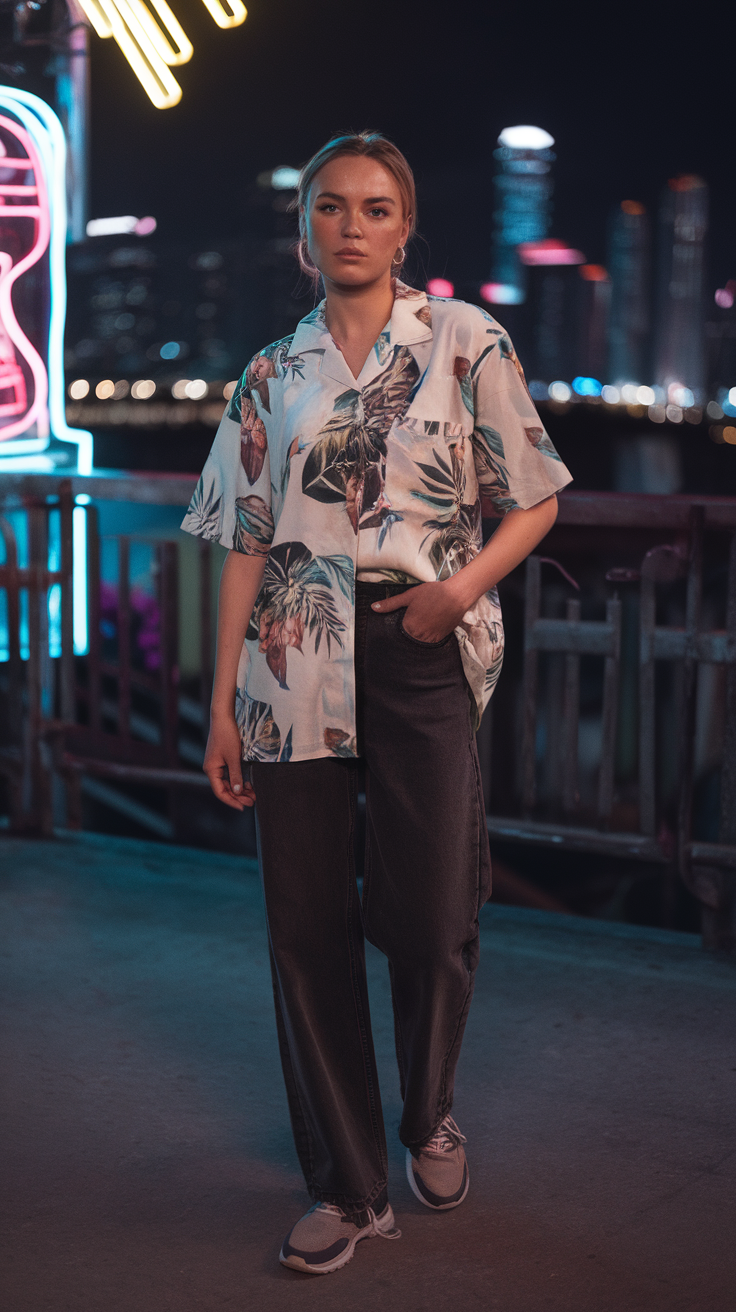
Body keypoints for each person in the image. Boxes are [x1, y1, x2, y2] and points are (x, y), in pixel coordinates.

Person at [181, 131, 572, 1275]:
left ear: (406, 229)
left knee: (434, 907)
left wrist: (457, 592)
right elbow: (244, 544)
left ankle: (427, 1110)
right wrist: (219, 706)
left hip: (419, 640)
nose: (351, 224)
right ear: (302, 230)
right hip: (291, 658)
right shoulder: (269, 372)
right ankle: (350, 1188)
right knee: (304, 928)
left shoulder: (462, 340)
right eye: (330, 207)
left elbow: (535, 498)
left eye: (376, 207)